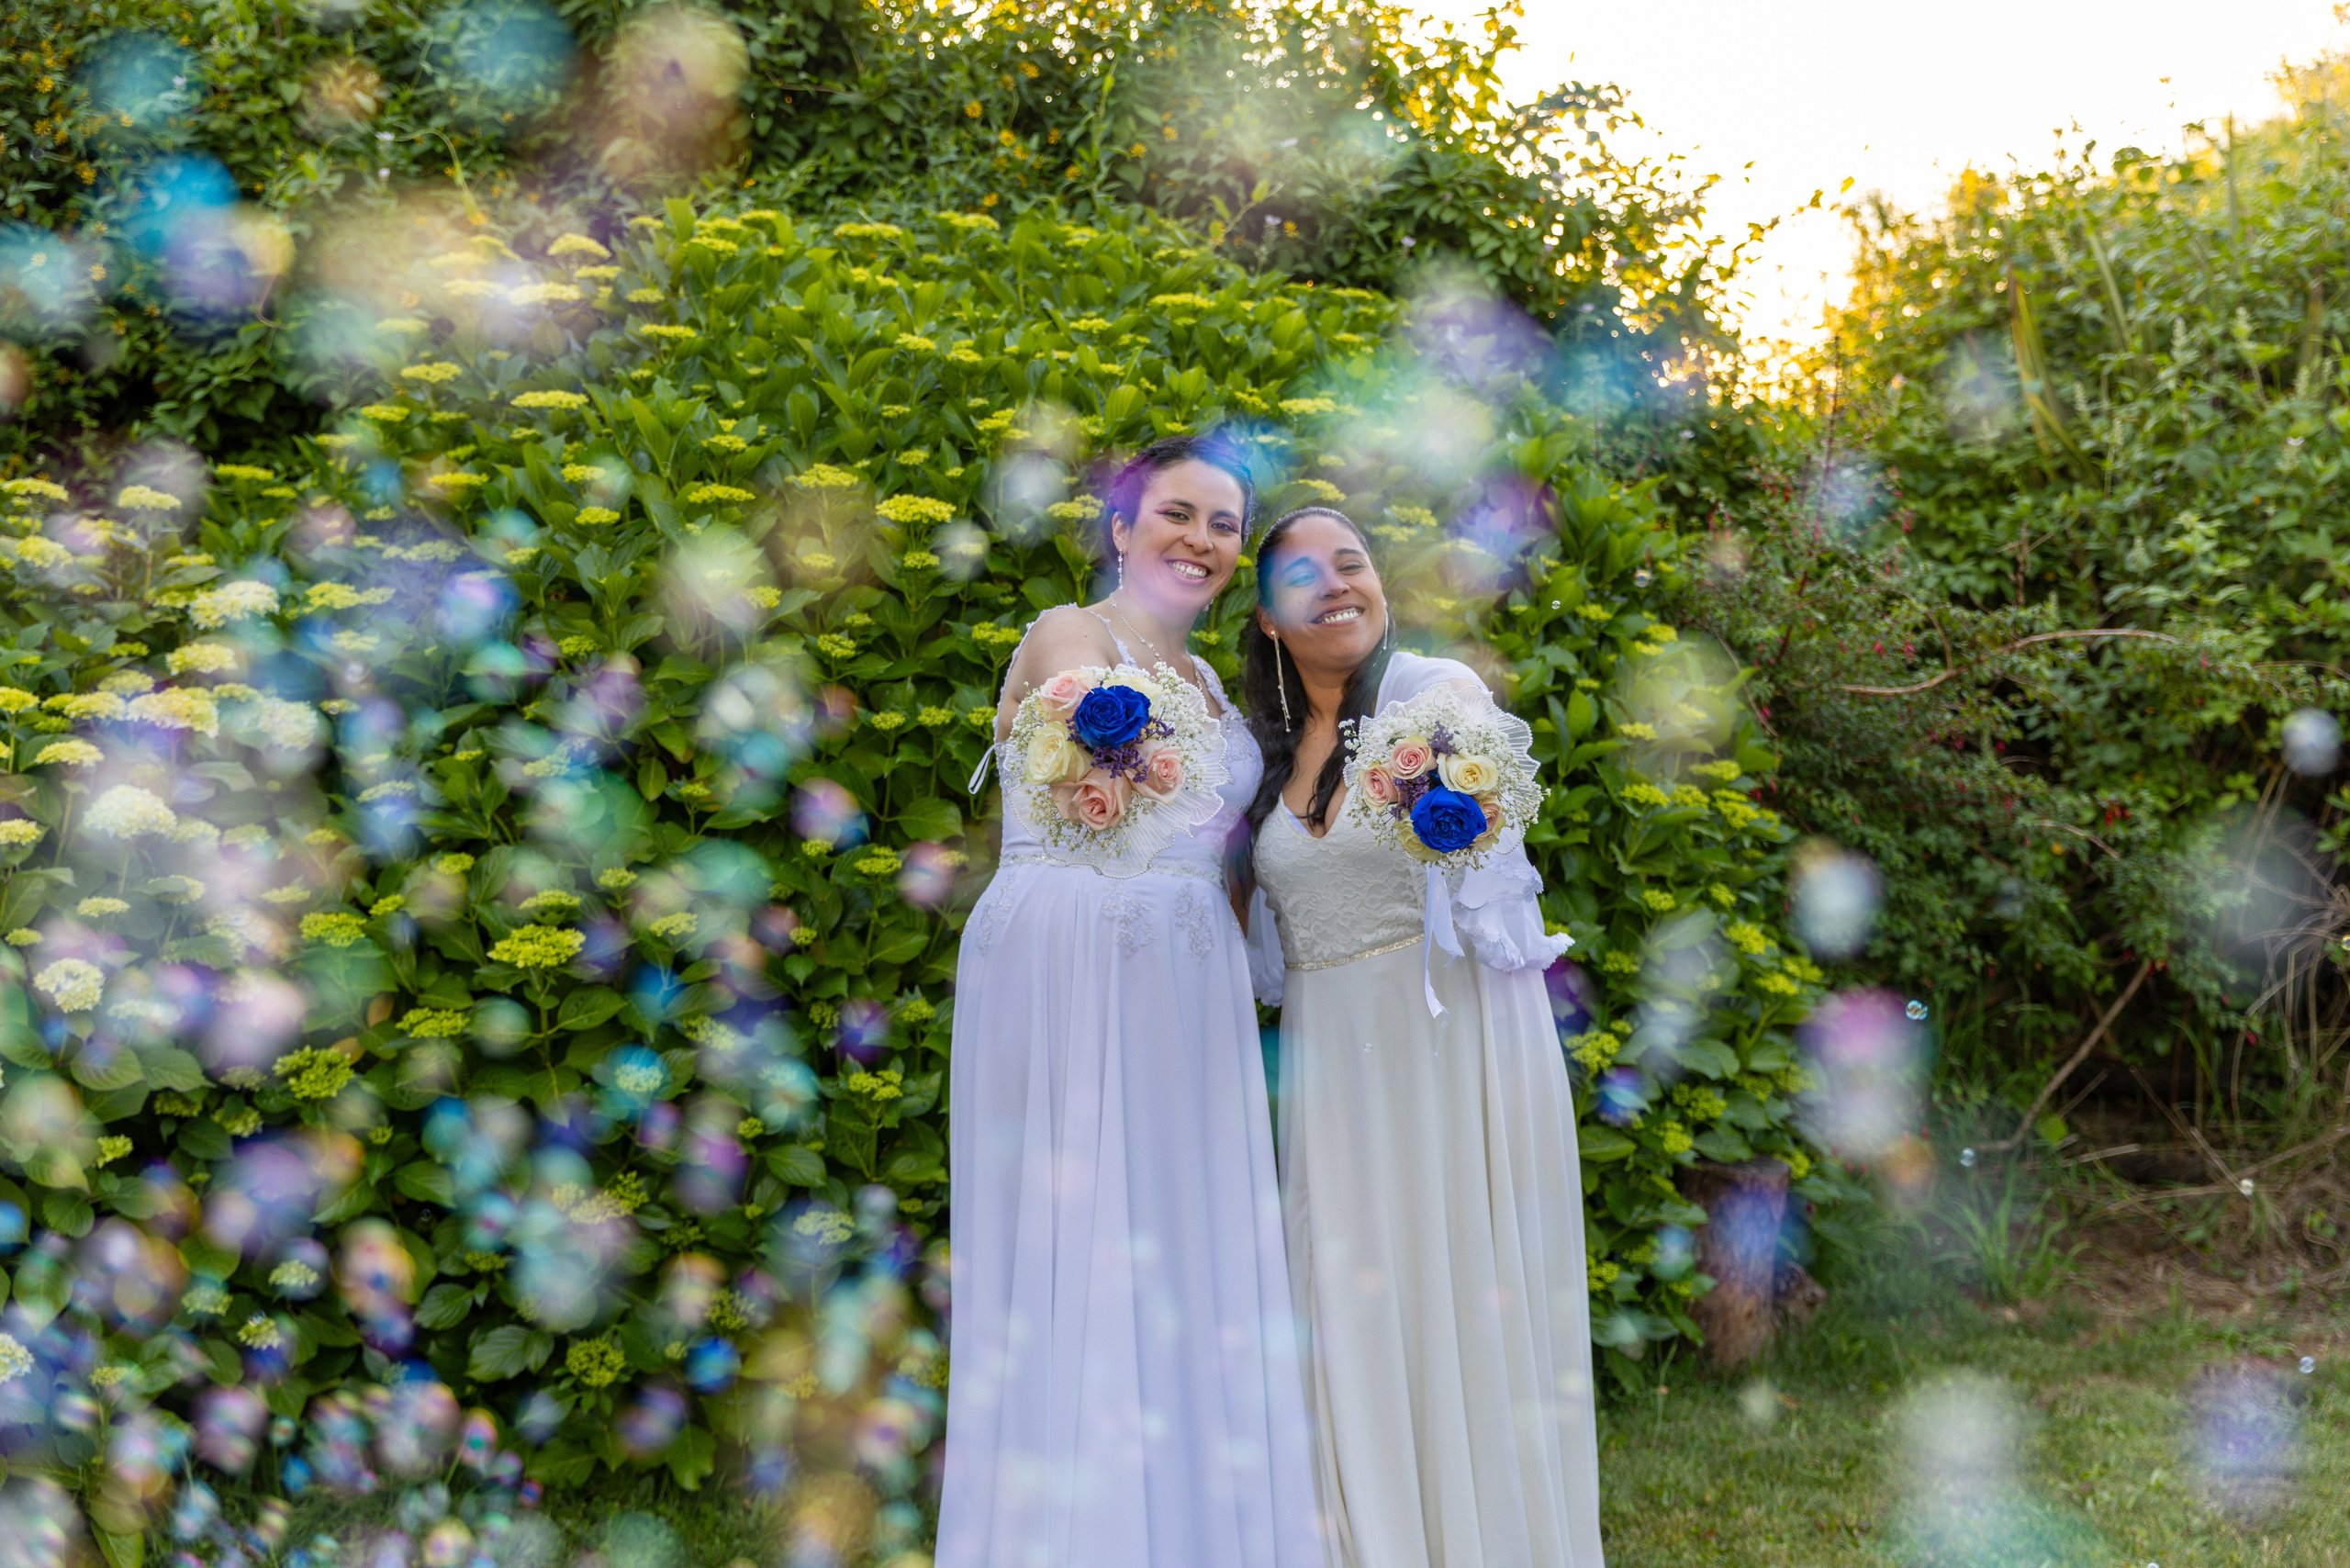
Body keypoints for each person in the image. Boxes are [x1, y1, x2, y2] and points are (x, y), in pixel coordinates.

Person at [936, 436, 1324, 1568]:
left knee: (1177, 1237)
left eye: (1222, 524)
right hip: (1072, 956)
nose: (1201, 539)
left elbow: (1223, 848)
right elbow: (1083, 785)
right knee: (1085, 1230)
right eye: (1178, 513)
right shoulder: (1073, 633)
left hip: (1185, 974)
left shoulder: (1213, 684)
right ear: (1121, 526)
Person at [1243, 506, 1605, 1568]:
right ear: (1267, 616)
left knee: (1451, 1290)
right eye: (1306, 573)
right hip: (1327, 1067)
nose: (1338, 585)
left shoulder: (1438, 694)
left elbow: (1490, 878)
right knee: (1342, 1295)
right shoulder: (1260, 752)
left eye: (1353, 563)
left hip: (1443, 1049)